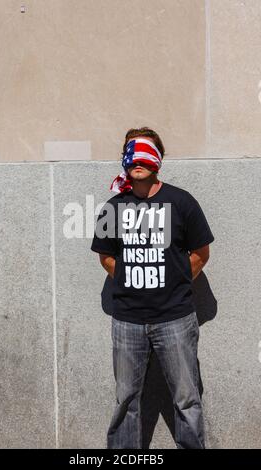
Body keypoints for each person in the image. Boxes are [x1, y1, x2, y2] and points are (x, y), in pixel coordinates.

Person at [90, 127, 215, 449]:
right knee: (125, 400)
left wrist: (173, 281)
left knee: (187, 400)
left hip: (175, 318)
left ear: (157, 159)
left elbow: (201, 253)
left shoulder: (182, 202)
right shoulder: (113, 207)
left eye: (144, 151)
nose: (137, 160)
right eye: (130, 152)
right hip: (127, 320)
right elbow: (105, 257)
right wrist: (131, 278)